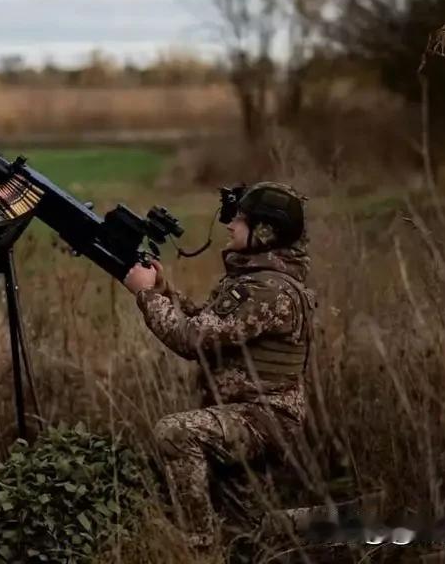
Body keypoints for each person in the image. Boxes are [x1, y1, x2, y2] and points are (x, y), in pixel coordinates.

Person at [122, 182, 317, 548]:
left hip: (262, 420)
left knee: (176, 432)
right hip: (250, 415)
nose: (230, 225)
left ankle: (198, 545)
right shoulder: (260, 281)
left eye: (240, 220)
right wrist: (166, 292)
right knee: (244, 531)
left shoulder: (267, 290)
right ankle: (342, 519)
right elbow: (212, 325)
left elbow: (192, 341)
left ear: (264, 232)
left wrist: (145, 295)